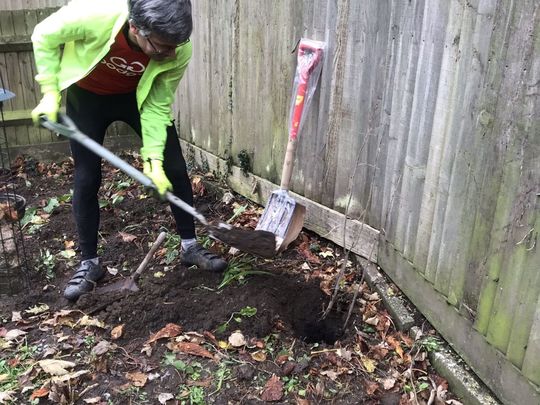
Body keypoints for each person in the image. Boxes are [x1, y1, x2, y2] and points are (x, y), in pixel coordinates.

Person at [31, 0, 227, 301]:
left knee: (174, 167)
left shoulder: (177, 46)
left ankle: (190, 246)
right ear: (136, 28)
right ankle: (89, 264)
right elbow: (44, 35)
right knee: (87, 177)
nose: (172, 54)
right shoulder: (95, 14)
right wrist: (49, 92)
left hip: (137, 98)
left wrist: (153, 161)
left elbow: (157, 105)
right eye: (162, 47)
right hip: (89, 96)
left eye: (177, 45)